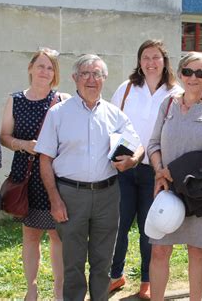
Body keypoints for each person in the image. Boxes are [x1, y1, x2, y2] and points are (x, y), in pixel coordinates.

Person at [35, 54, 142, 300]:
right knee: (72, 264)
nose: (91, 79)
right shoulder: (58, 113)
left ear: (104, 79)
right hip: (70, 196)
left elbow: (138, 145)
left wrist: (133, 160)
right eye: (85, 73)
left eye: (97, 74)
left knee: (103, 262)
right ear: (75, 78)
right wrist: (55, 200)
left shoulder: (115, 114)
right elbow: (45, 160)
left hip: (108, 195)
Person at [147, 51, 202, 301]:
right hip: (168, 192)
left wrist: (174, 171)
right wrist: (160, 170)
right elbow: (153, 144)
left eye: (201, 72)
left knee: (197, 252)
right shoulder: (168, 103)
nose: (194, 77)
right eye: (188, 71)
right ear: (180, 74)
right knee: (159, 250)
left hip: (200, 194)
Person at [109, 39, 182, 299]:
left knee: (149, 228)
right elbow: (111, 123)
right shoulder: (127, 88)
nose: (150, 63)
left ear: (164, 61)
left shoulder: (176, 93)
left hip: (156, 169)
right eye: (145, 58)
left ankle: (147, 281)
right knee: (118, 224)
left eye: (155, 57)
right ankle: (115, 276)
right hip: (125, 168)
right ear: (139, 62)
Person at [0, 48, 70, 300]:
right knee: (30, 236)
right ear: (30, 68)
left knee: (56, 236)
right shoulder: (15, 100)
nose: (45, 71)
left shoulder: (62, 99)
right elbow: (4, 137)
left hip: (55, 178)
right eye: (40, 66)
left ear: (55, 74)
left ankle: (59, 290)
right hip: (26, 176)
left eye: (50, 68)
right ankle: (31, 289)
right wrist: (23, 144)